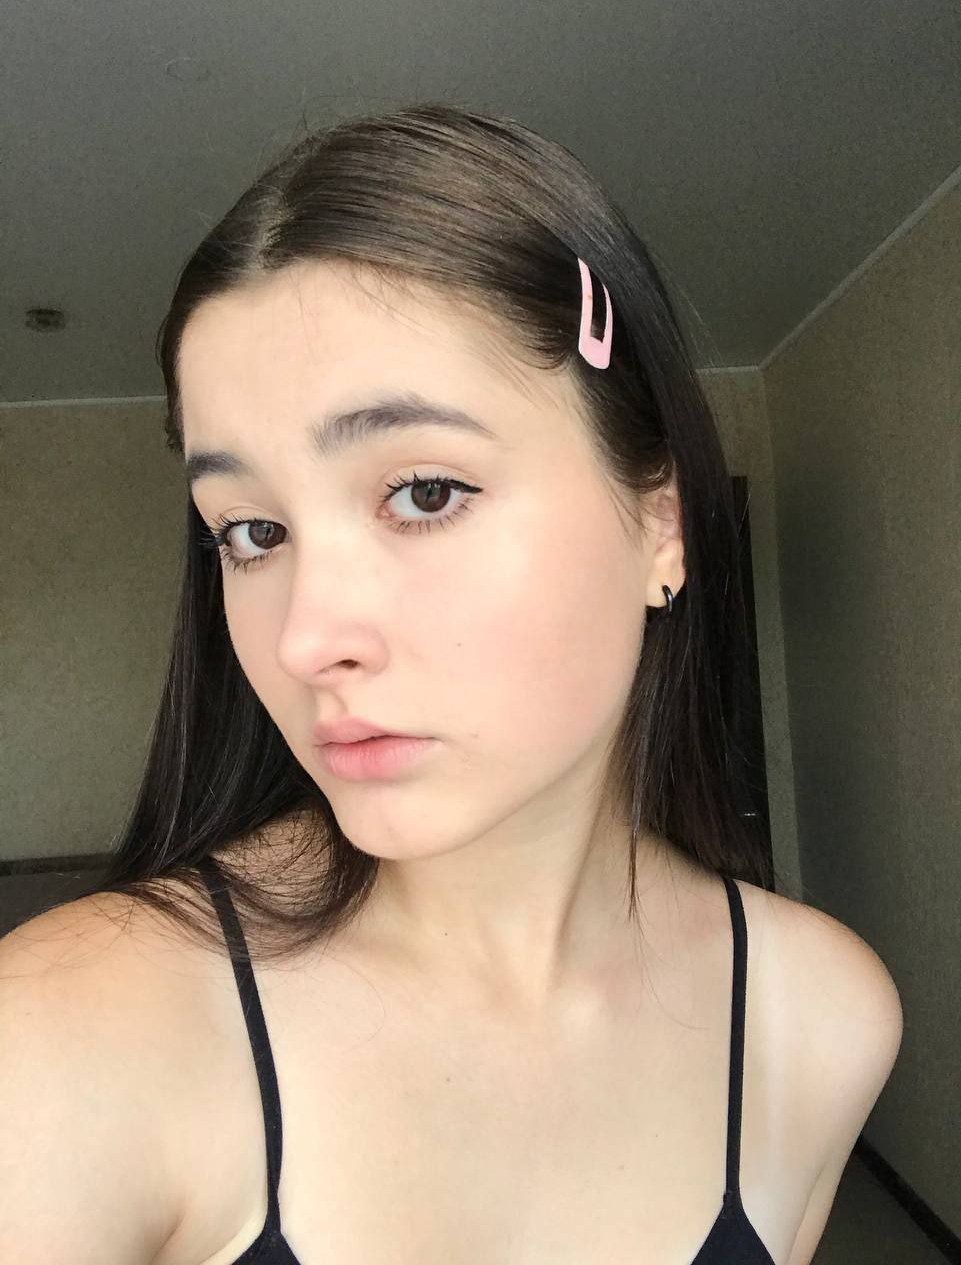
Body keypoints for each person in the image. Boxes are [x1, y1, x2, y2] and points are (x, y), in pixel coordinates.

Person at [0, 103, 902, 1264]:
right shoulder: (66, 1041)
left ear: (663, 525)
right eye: (252, 530)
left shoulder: (813, 1020)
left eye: (424, 492)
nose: (305, 637)